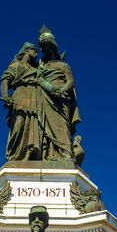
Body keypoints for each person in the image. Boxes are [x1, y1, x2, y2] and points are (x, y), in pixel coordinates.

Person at [36, 26, 80, 161]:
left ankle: (66, 153)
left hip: (62, 97)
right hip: (46, 96)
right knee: (45, 127)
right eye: (41, 47)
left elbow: (71, 82)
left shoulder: (64, 66)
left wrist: (60, 91)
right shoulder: (41, 65)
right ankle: (50, 155)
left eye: (45, 47)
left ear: (52, 46)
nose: (43, 50)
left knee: (62, 126)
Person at [0, 42, 43, 162]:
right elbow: (5, 80)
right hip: (21, 93)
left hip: (35, 96)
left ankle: (31, 152)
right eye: (34, 49)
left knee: (35, 124)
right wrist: (5, 96)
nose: (36, 52)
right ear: (26, 50)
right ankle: (15, 155)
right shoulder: (16, 65)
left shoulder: (36, 69)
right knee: (19, 122)